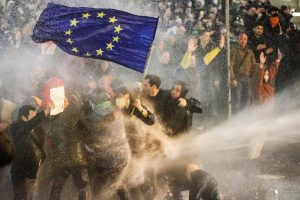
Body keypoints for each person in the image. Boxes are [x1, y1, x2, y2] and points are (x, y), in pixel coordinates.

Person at [79, 86, 130, 199]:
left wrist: (85, 106)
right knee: (118, 184)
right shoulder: (116, 108)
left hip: (106, 158)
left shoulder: (96, 113)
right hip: (122, 155)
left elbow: (87, 125)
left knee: (96, 189)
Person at [10, 105, 50, 200]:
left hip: (33, 171)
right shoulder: (16, 127)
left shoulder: (37, 129)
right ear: (24, 117)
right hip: (21, 172)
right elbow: (29, 125)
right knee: (21, 197)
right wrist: (44, 112)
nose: (35, 119)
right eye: (33, 116)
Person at [229, 32, 256, 113]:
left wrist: (252, 77)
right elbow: (230, 65)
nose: (243, 41)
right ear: (238, 40)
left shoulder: (250, 51)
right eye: (241, 39)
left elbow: (253, 64)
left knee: (247, 98)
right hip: (238, 78)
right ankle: (236, 117)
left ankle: (244, 117)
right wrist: (232, 78)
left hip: (247, 78)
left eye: (245, 39)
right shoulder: (234, 50)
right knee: (237, 99)